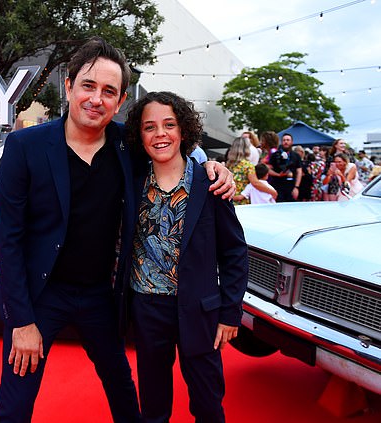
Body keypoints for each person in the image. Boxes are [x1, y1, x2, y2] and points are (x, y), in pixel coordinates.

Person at [0, 36, 234, 423]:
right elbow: (7, 238)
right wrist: (21, 321)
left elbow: (174, 148)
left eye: (109, 91)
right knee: (16, 400)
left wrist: (213, 168)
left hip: (100, 295)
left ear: (120, 102)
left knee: (122, 386)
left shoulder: (127, 146)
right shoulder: (24, 146)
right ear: (68, 86)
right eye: (88, 86)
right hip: (39, 295)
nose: (96, 99)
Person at [124, 91, 248, 423]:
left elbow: (234, 251)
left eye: (169, 124)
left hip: (200, 310)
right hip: (147, 308)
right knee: (153, 405)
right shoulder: (131, 184)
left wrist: (230, 312)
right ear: (140, 134)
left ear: (184, 131)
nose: (160, 134)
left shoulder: (211, 183)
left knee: (208, 403)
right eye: (149, 127)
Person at [225, 136, 273, 205]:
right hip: (242, 202)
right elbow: (256, 183)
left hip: (228, 200)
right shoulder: (248, 166)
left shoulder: (228, 165)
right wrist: (272, 192)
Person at [266, 132, 302, 202]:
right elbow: (268, 169)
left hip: (291, 186)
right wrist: (278, 175)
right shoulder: (275, 155)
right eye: (284, 140)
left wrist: (296, 187)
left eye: (288, 140)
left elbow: (299, 172)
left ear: (292, 142)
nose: (286, 142)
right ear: (281, 142)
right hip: (277, 186)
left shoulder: (296, 156)